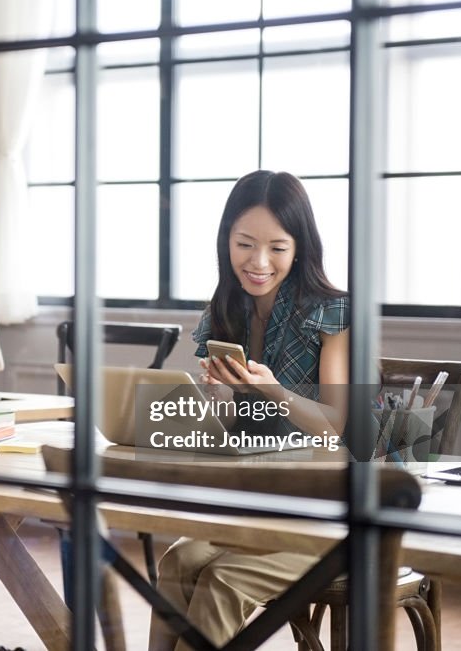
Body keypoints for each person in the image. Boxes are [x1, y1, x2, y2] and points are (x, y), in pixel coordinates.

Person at [149, 170, 350, 650]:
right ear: (226, 242)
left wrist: (275, 390)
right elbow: (227, 427)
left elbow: (339, 426)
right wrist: (216, 396)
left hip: (337, 508)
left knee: (222, 580)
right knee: (176, 562)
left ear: (299, 248)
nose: (259, 262)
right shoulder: (225, 308)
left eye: (277, 248)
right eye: (244, 244)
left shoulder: (334, 314)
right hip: (265, 498)